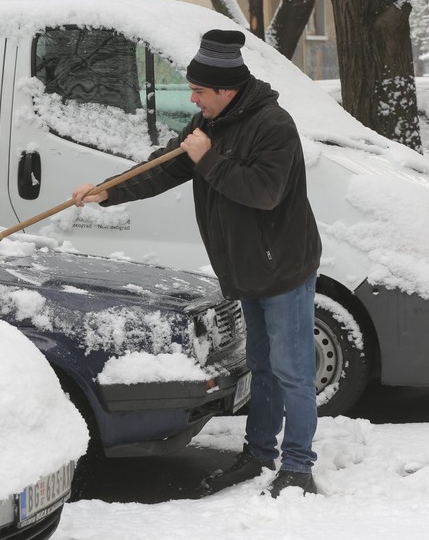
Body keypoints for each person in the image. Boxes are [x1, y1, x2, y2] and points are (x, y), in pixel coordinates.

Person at [72, 29, 321, 498]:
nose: (193, 98)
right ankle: (259, 454)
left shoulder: (274, 125)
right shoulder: (210, 121)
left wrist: (208, 159)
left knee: (292, 371)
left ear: (226, 90)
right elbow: (165, 166)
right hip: (246, 269)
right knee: (261, 367)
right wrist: (108, 191)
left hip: (283, 268)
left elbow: (264, 193)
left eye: (199, 90)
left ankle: (298, 466)